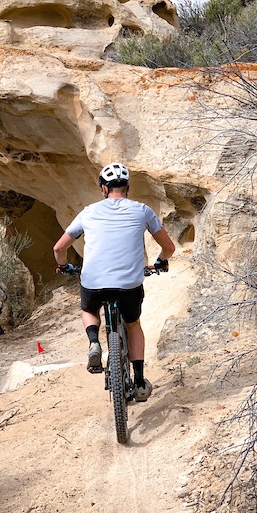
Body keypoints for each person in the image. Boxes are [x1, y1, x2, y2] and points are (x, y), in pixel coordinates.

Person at [53, 162, 175, 402]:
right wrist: (160, 262)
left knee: (88, 309)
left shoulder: (88, 212)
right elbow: (168, 247)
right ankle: (139, 381)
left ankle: (93, 343)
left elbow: (58, 247)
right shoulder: (143, 211)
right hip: (129, 284)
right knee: (132, 324)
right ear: (127, 188)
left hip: (94, 282)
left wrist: (65, 266)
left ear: (103, 189)